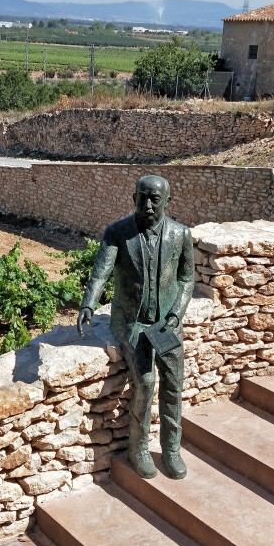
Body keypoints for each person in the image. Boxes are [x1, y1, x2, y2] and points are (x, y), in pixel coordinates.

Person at [77, 175, 194, 479]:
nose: (148, 204)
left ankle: (171, 449)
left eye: (156, 199)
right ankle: (138, 448)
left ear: (168, 201)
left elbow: (186, 279)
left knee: (174, 385)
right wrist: (89, 303)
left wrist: (175, 315)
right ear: (133, 198)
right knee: (145, 383)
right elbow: (100, 272)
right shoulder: (118, 233)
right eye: (142, 197)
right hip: (132, 324)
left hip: (167, 325)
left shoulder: (180, 235)